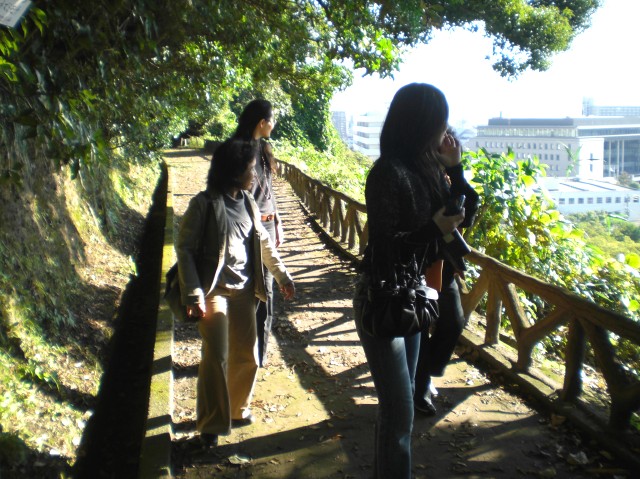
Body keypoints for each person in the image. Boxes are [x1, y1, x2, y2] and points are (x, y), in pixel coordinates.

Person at [353, 83, 475, 478]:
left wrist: (454, 169)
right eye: (441, 123)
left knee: (401, 406)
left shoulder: (429, 169)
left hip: (414, 295)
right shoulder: (387, 172)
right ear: (422, 125)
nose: (445, 131)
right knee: (398, 412)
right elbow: (386, 244)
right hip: (383, 297)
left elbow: (463, 217)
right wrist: (433, 229)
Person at [175, 138, 295, 447]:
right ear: (233, 171)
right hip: (212, 292)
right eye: (251, 169)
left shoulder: (248, 201)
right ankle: (211, 425)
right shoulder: (203, 204)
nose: (254, 174)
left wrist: (282, 275)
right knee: (216, 356)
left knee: (247, 356)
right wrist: (193, 294)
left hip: (244, 291)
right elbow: (184, 249)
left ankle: (237, 409)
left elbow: (263, 242)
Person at [231, 99, 283, 367]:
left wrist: (277, 220)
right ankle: (244, 351)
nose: (274, 125)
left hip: (268, 225)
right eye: (272, 120)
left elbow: (268, 190)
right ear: (262, 122)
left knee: (267, 292)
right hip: (248, 229)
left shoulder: (263, 149)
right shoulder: (237, 150)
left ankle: (258, 356)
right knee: (248, 289)